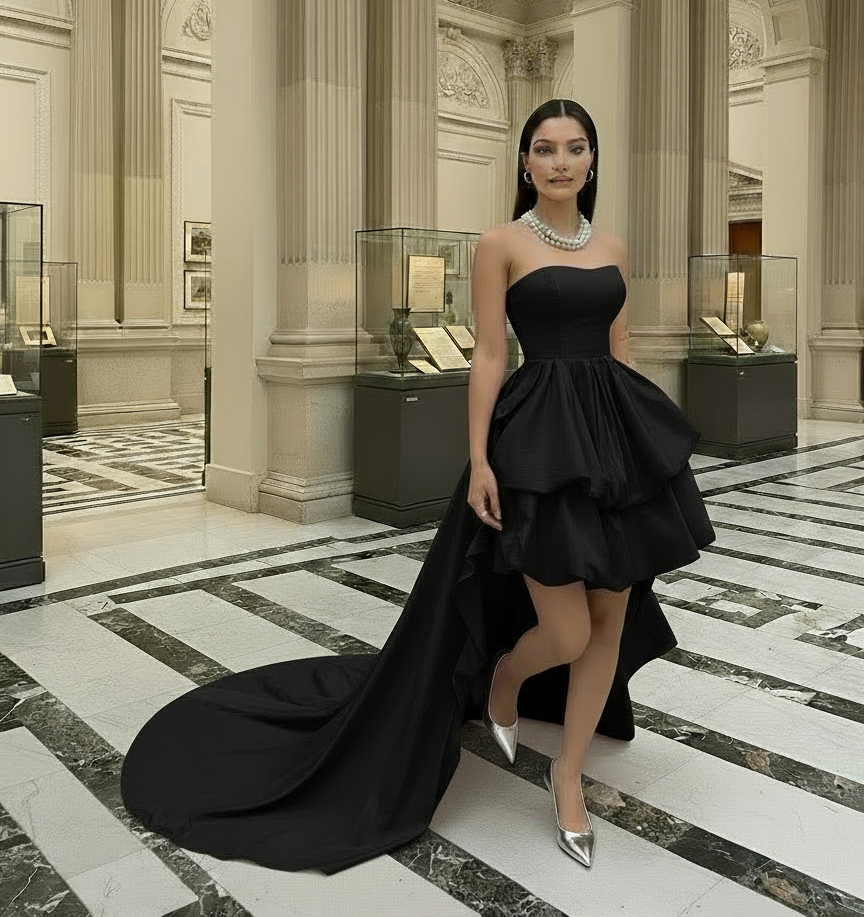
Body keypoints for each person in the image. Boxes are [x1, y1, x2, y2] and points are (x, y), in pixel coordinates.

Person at [121, 98, 714, 875]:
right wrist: (481, 458)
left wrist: (643, 447)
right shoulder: (501, 243)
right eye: (545, 148)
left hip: (614, 436)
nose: (562, 161)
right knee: (565, 632)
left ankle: (566, 775)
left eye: (575, 148)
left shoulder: (612, 245)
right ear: (525, 164)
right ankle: (504, 677)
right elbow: (492, 356)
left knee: (609, 620)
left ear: (592, 161)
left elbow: (621, 343)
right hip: (538, 440)